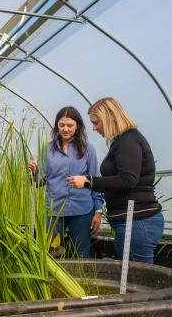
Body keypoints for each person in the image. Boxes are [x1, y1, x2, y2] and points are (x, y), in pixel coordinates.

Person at [66, 97, 164, 264]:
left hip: (137, 222)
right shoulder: (121, 141)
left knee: (135, 278)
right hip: (131, 221)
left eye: (97, 122)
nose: (94, 128)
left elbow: (128, 180)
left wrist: (89, 181)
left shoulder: (129, 140)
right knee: (133, 278)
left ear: (110, 117)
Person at [29, 106, 103, 258]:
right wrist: (34, 172)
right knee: (52, 253)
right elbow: (40, 181)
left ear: (78, 126)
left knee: (81, 254)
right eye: (61, 125)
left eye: (70, 125)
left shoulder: (89, 149)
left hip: (82, 210)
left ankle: (79, 282)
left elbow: (95, 180)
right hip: (54, 211)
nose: (65, 129)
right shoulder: (47, 149)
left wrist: (98, 211)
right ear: (57, 126)